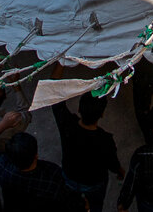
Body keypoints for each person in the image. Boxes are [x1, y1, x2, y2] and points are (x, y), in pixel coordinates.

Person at [50, 67, 124, 212]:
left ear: (79, 109)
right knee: (96, 205)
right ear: (102, 114)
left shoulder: (67, 124)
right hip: (94, 183)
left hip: (69, 177)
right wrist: (120, 171)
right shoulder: (105, 140)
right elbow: (112, 163)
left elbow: (53, 88)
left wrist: (61, 61)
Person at [0, 116, 85, 210]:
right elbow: (70, 200)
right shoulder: (52, 176)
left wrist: (2, 125)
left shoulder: (4, 170)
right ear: (36, 155)